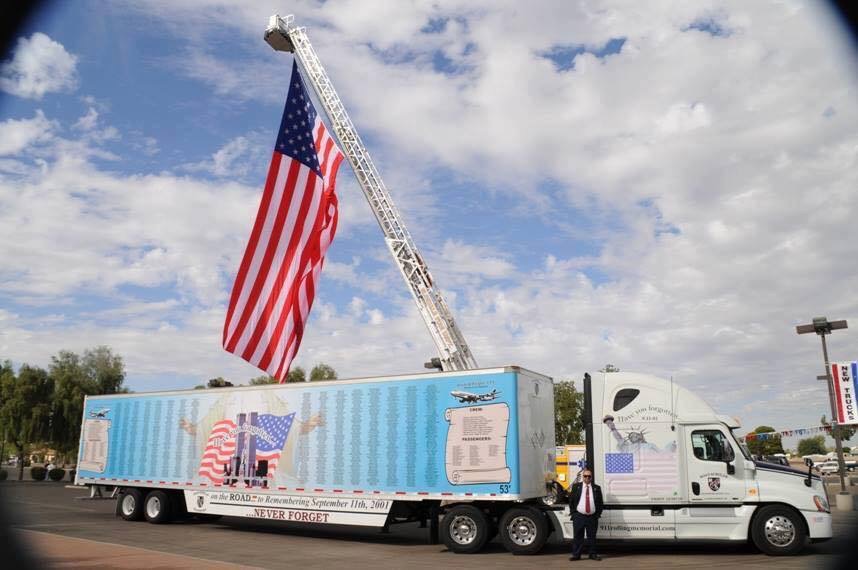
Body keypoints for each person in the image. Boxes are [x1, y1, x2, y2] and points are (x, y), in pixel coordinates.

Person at [569, 468, 604, 561]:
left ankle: (592, 554)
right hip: (579, 516)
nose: (587, 478)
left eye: (589, 476)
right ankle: (576, 555)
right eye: (585, 476)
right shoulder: (576, 487)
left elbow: (600, 503)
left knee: (592, 537)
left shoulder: (597, 488)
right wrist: (574, 513)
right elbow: (571, 501)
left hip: (592, 517)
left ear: (591, 477)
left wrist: (597, 515)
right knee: (578, 537)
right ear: (582, 477)